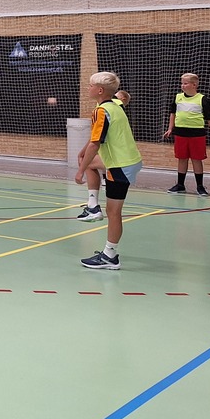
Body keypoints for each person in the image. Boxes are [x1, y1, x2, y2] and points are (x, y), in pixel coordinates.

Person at [76, 71, 142, 270]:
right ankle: (93, 207)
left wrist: (80, 171)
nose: (88, 88)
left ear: (100, 90)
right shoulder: (114, 105)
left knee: (113, 212)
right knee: (113, 210)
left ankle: (109, 256)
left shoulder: (102, 111)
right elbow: (97, 138)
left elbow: (95, 143)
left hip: (120, 165)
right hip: (128, 160)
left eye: (90, 85)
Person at [163, 72, 210, 196]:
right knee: (182, 158)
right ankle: (180, 185)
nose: (183, 86)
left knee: (197, 159)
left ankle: (200, 186)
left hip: (197, 134)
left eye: (185, 83)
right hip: (180, 133)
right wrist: (170, 128)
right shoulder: (177, 97)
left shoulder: (202, 99)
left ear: (194, 85)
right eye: (182, 83)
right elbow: (173, 114)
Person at [77, 90, 132, 222]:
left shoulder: (111, 105)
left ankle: (93, 206)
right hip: (123, 158)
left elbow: (95, 140)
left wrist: (80, 168)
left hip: (120, 160)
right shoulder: (111, 108)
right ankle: (94, 201)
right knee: (114, 213)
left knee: (88, 163)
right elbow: (96, 136)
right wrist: (84, 151)